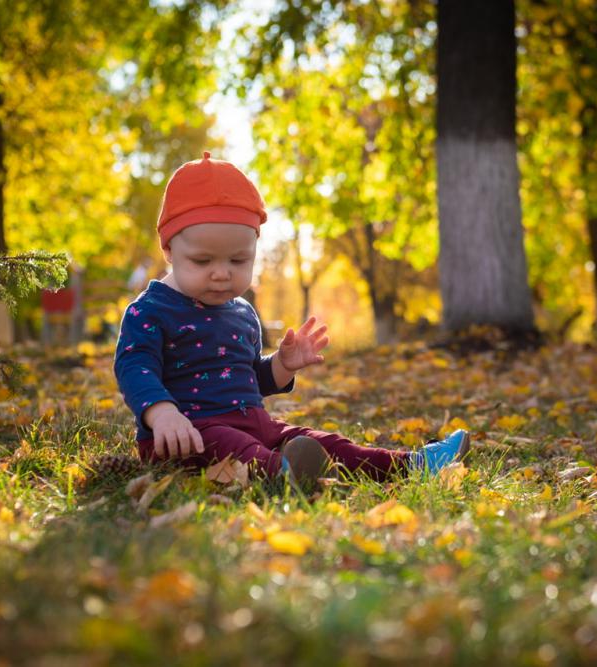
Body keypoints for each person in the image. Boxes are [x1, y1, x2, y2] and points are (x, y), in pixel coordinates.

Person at [113, 152, 469, 484]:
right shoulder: (151, 311)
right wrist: (162, 413)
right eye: (203, 261)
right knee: (235, 446)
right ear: (168, 249)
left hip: (255, 423)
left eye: (238, 261)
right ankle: (286, 475)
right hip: (187, 434)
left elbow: (248, 380)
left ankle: (411, 464)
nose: (222, 273)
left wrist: (282, 366)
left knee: (323, 442)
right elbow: (134, 367)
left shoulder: (242, 313)